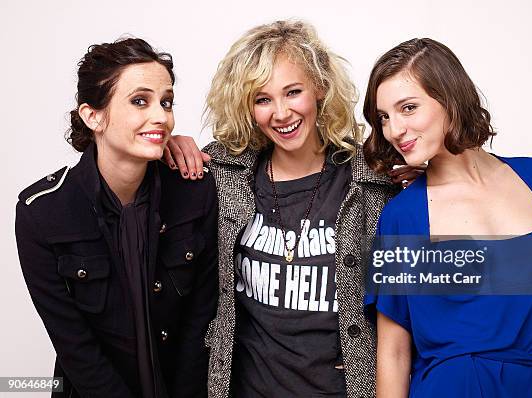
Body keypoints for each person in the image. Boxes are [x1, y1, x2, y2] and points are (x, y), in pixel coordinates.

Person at [163, 20, 422, 398]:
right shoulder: (223, 173)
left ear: (318, 88)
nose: (281, 113)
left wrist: (432, 184)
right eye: (262, 99)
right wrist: (169, 146)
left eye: (293, 92)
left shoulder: (375, 180)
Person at [363, 38, 532, 397]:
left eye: (408, 108)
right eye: (384, 117)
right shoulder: (402, 216)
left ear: (449, 98)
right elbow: (394, 351)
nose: (393, 130)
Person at [15, 38, 218, 398]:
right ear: (93, 116)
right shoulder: (42, 214)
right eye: (140, 101)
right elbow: (75, 346)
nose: (161, 116)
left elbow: (199, 325)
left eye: (166, 102)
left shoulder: (194, 194)